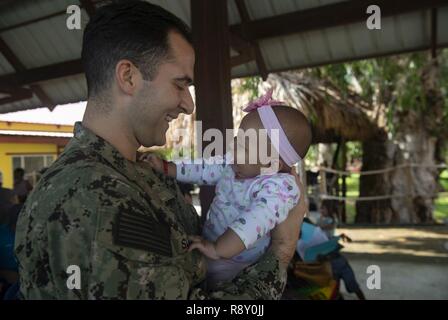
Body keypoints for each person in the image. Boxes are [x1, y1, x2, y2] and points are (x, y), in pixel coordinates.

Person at [15, 1, 306, 300]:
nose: (189, 104)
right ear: (128, 77)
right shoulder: (93, 198)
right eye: (180, 85)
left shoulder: (136, 171)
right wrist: (281, 252)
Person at [143, 90, 312, 289]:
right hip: (212, 249)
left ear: (273, 163)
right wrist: (168, 168)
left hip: (235, 262)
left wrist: (218, 249)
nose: (234, 149)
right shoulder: (235, 164)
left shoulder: (279, 187)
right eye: (237, 140)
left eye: (244, 147)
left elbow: (254, 221)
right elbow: (204, 168)